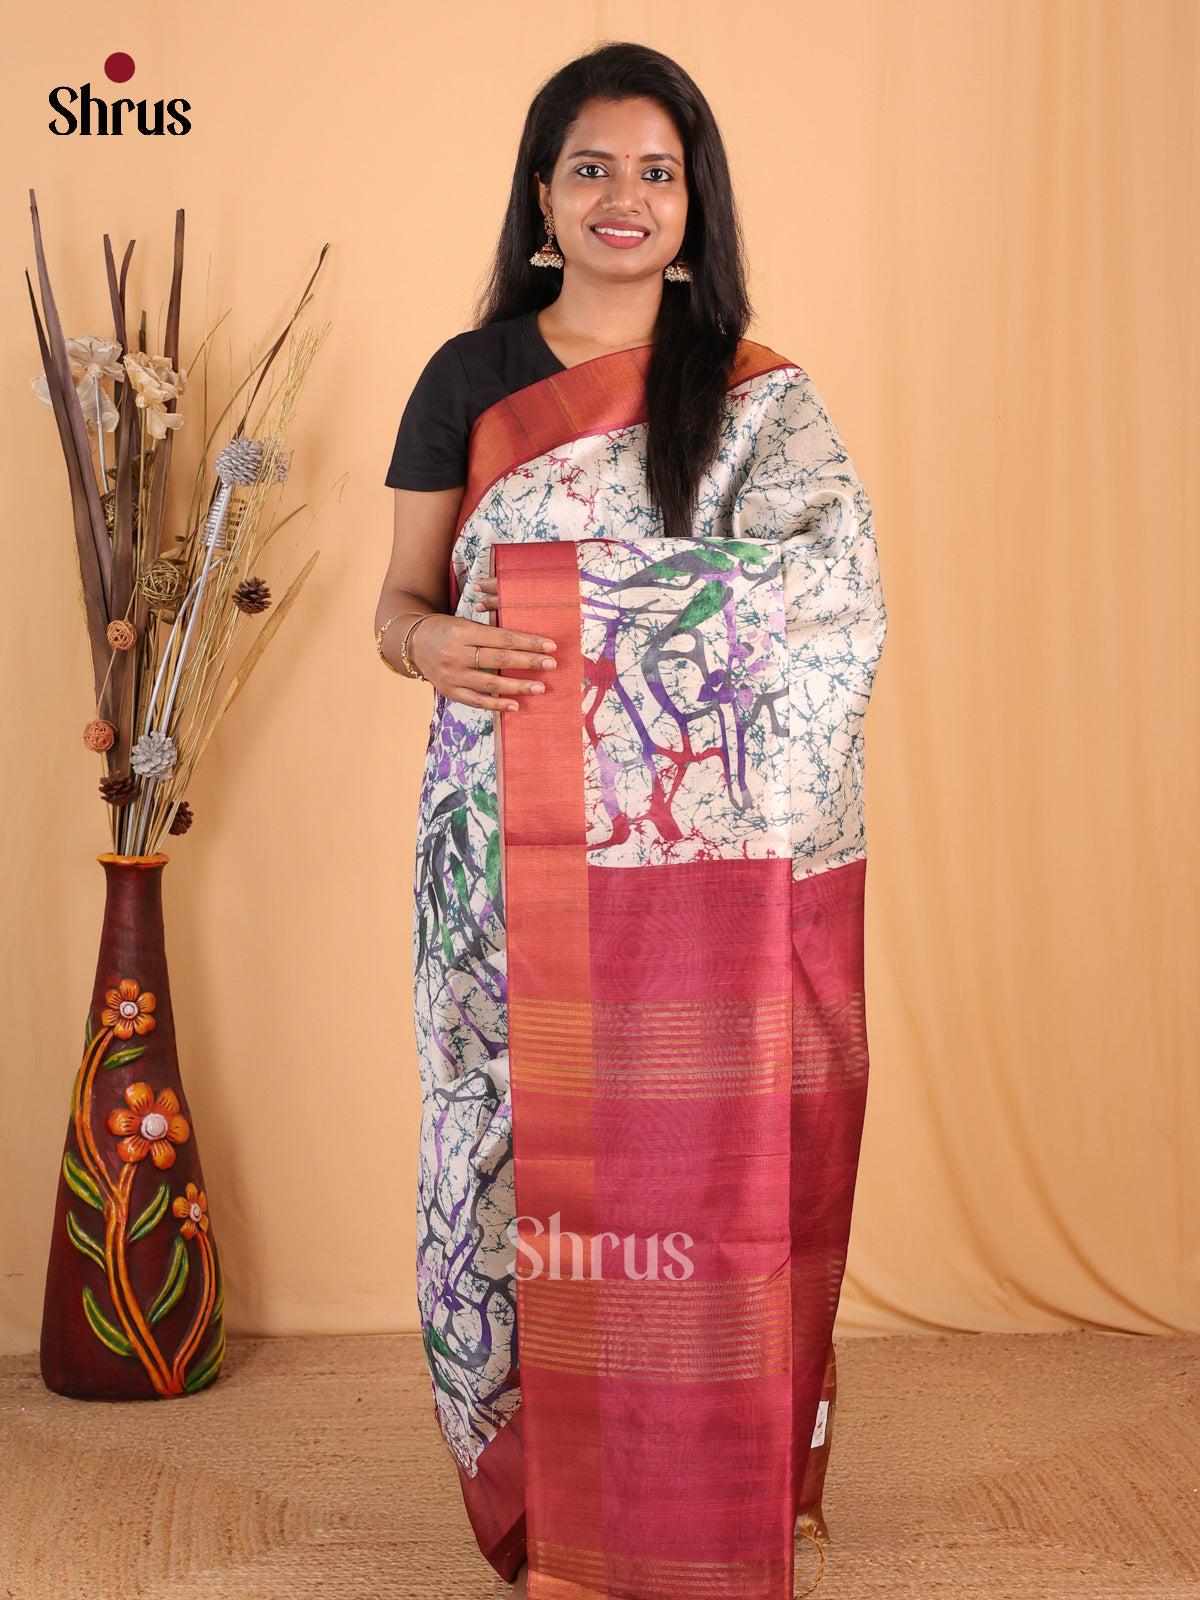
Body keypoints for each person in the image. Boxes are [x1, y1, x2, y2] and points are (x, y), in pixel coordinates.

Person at [376, 41, 887, 1600]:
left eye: (657, 172)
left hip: (713, 861)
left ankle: (718, 1489)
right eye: (591, 166)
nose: (624, 196)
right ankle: (555, 1503)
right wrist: (432, 644)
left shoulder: (757, 399)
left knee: (722, 1149)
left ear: (693, 204)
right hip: (507, 839)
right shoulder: (469, 379)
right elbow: (400, 605)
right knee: (510, 1139)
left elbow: (831, 606)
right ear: (541, 196)